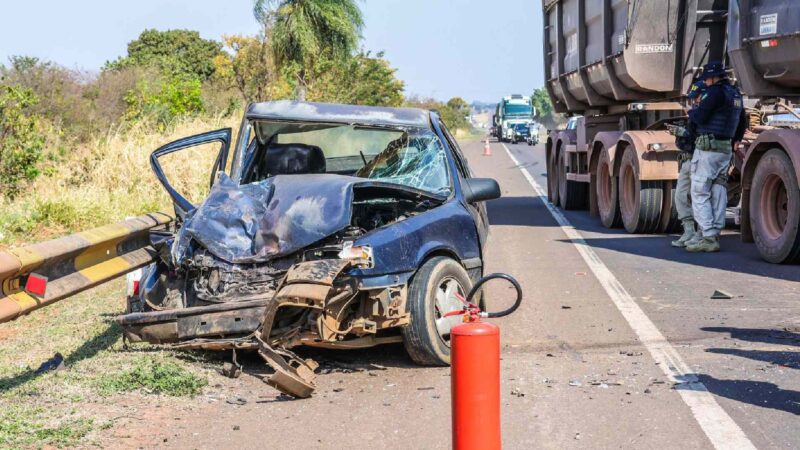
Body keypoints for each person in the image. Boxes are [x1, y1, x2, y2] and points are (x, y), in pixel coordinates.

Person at [685, 61, 747, 253]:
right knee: (719, 189)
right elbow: (743, 120)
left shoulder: (713, 93)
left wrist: (692, 112)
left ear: (712, 78)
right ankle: (716, 230)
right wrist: (736, 139)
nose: (707, 82)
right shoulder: (735, 94)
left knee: (700, 191)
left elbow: (701, 117)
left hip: (708, 149)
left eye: (707, 79)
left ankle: (708, 236)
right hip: (725, 149)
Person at [669, 81, 706, 247]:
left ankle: (700, 234)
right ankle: (689, 230)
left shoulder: (707, 113)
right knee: (681, 196)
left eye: (697, 97)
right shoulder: (696, 113)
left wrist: (682, 132)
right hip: (688, 159)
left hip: (699, 159)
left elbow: (699, 136)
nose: (695, 101)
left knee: (699, 198)